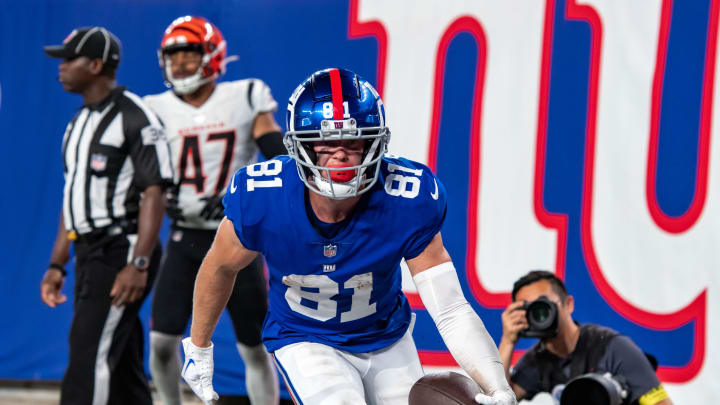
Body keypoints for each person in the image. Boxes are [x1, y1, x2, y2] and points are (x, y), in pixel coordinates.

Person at [178, 68, 517, 405]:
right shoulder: (264, 197)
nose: (340, 154)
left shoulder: (407, 197)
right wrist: (199, 346)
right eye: (326, 142)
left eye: (353, 141)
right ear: (301, 146)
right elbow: (220, 267)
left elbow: (450, 308)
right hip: (306, 336)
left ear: (374, 142)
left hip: (386, 336)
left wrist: (497, 383)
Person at [142, 16, 284, 405]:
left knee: (254, 346)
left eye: (189, 54)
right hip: (184, 234)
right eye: (174, 56)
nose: (181, 64)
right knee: (160, 341)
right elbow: (144, 170)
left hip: (236, 234)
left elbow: (277, 154)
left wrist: (240, 195)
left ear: (213, 56)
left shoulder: (246, 95)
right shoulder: (154, 108)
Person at [40, 27, 173, 405]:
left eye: (69, 60)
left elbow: (154, 192)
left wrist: (139, 262)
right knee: (120, 360)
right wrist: (57, 263)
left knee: (88, 355)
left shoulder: (135, 115)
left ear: (96, 65)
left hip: (123, 249)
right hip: (88, 251)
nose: (61, 68)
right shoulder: (76, 124)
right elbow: (73, 200)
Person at [498, 270, 673, 405]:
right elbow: (500, 398)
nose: (539, 315)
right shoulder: (536, 361)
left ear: (568, 304)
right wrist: (507, 341)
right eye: (530, 309)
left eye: (543, 305)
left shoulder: (613, 347)